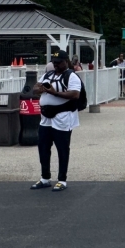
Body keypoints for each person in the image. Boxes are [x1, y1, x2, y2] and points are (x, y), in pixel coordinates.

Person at [30, 51, 82, 193]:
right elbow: (35, 87)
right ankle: (45, 178)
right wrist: (38, 89)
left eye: (58, 62)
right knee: (43, 147)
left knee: (62, 148)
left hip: (62, 116)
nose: (56, 64)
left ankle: (62, 179)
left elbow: (75, 94)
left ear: (66, 61)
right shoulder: (48, 75)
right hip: (46, 117)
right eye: (54, 62)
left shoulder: (71, 76)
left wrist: (54, 93)